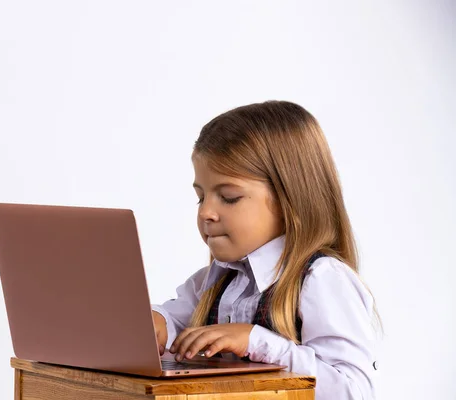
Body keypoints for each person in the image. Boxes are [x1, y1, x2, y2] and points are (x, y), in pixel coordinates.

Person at [151, 101, 379, 399]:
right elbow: (172, 318)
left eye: (229, 197)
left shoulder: (320, 279)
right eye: (200, 197)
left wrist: (256, 342)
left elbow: (353, 390)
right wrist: (156, 322)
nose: (206, 212)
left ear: (290, 200)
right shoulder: (211, 283)